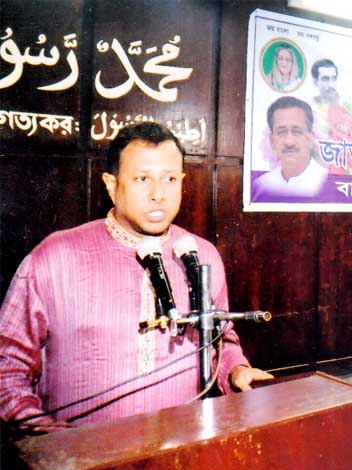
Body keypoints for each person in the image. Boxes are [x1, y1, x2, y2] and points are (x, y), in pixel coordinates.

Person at [0, 122, 271, 431]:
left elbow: (220, 340)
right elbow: (7, 369)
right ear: (111, 184)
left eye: (170, 179)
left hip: (179, 456)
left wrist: (236, 370)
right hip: (82, 463)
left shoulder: (201, 255)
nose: (158, 194)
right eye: (142, 179)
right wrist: (51, 441)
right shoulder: (53, 258)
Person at [252, 96, 328, 200]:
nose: (289, 142)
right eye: (281, 132)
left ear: (311, 138)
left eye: (297, 131)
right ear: (272, 141)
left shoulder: (326, 181)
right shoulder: (262, 185)